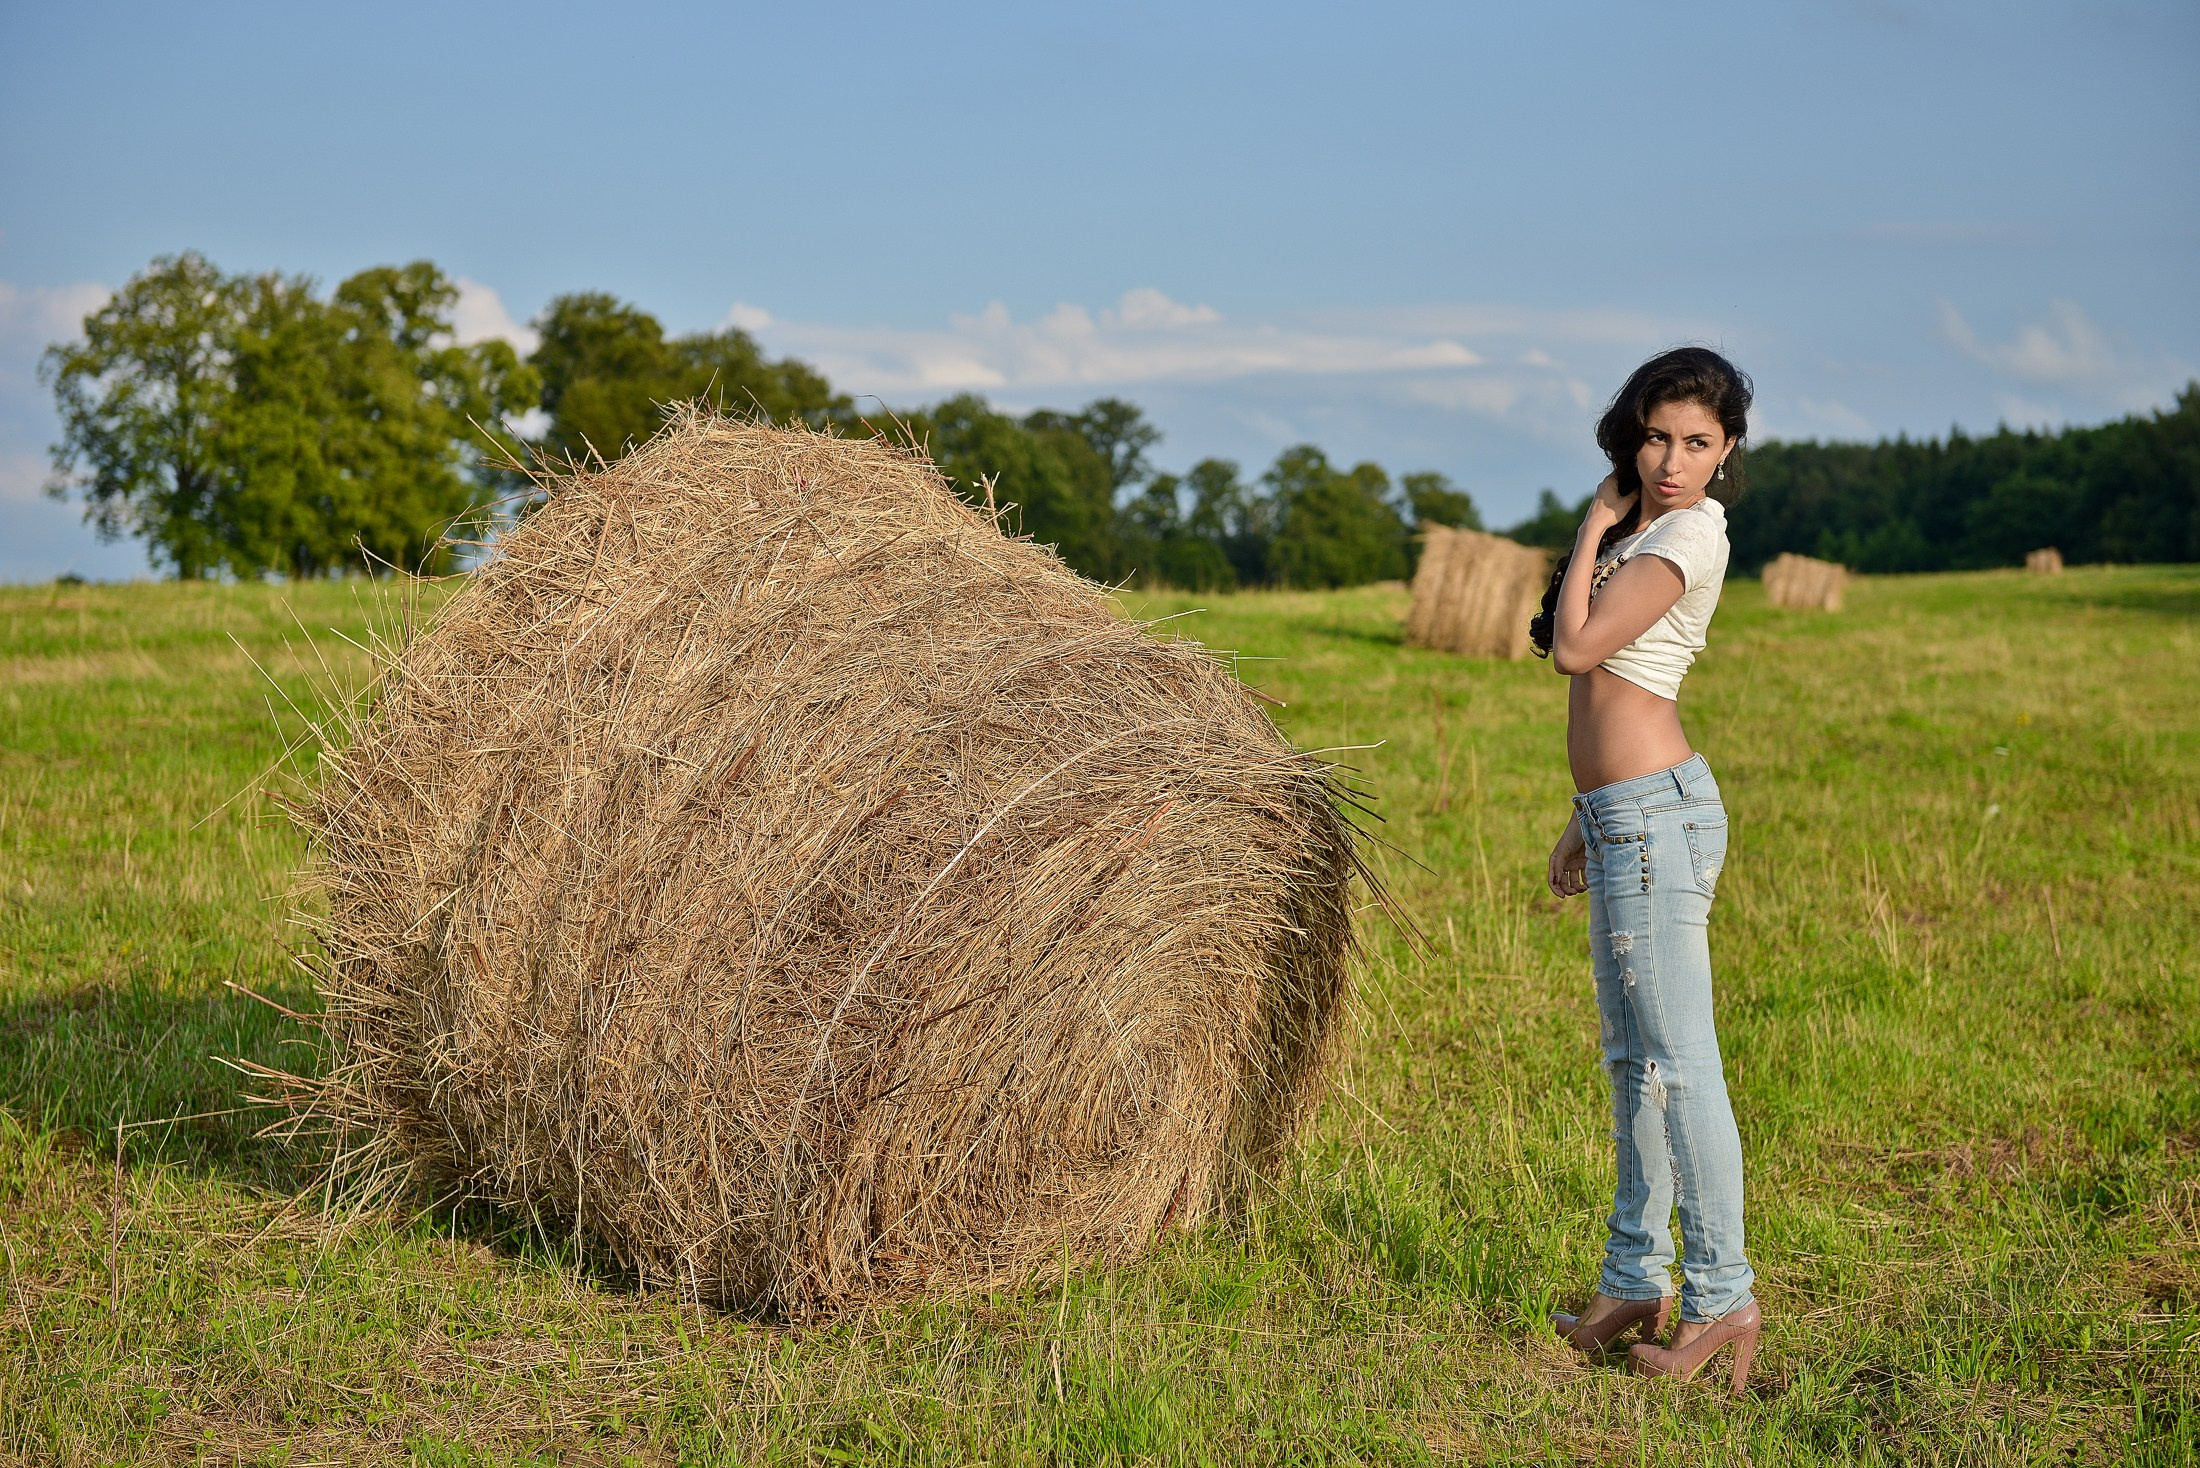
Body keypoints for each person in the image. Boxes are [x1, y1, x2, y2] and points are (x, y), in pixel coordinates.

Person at [1531, 346, 1762, 1395]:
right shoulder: (1653, 531)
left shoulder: (1688, 531)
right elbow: (1609, 690)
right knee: (1635, 1063)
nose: (1671, 461)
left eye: (1696, 442)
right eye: (1657, 437)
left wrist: (1591, 523)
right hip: (1622, 815)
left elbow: (1577, 652)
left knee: (1680, 1065)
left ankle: (1722, 1299)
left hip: (1658, 820)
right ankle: (1633, 1281)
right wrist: (1584, 814)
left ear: (1726, 449)